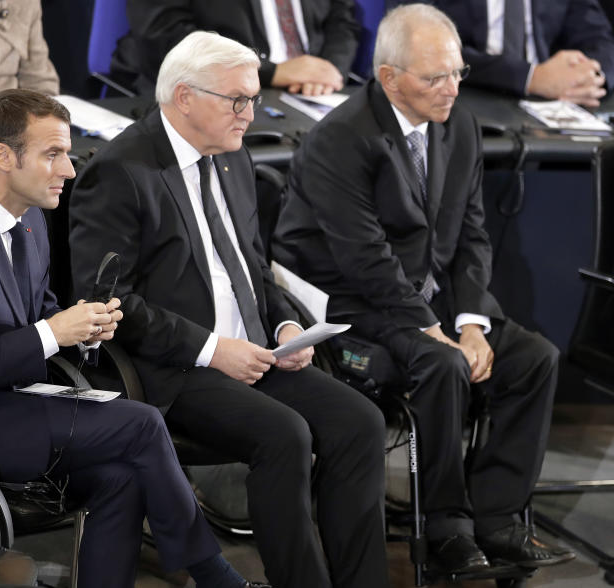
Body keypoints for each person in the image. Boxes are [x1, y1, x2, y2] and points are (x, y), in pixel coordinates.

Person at [0, 89, 268, 588]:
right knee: (141, 425)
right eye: (52, 154)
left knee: (120, 479)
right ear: (3, 156)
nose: (70, 170)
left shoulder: (31, 218)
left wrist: (82, 328)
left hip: (19, 402)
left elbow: (41, 312)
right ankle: (216, 576)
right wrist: (49, 334)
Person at [68, 32, 389, 588]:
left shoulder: (233, 157)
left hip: (254, 350)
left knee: (360, 421)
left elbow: (256, 269)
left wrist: (287, 324)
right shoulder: (122, 171)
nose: (249, 113)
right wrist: (215, 350)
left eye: (253, 99)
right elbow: (108, 300)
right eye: (236, 99)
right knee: (284, 434)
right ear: (185, 97)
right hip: (175, 366)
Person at [272, 4, 572, 575]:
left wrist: (472, 324)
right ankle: (445, 532)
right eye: (436, 77)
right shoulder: (342, 138)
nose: (452, 87)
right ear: (389, 78)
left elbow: (471, 237)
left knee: (534, 359)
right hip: (354, 306)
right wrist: (439, 333)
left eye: (457, 72)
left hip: (425, 300)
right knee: (443, 365)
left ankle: (498, 521)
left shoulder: (458, 125)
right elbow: (366, 262)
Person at [113, 0, 358, 97]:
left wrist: (330, 70)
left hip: (315, 92)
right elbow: (166, 37)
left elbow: (342, 18)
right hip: (213, 90)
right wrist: (271, 72)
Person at [414, 0, 614, 105]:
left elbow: (601, 42)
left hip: (543, 107)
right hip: (466, 96)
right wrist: (531, 77)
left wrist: (590, 79)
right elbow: (421, 45)